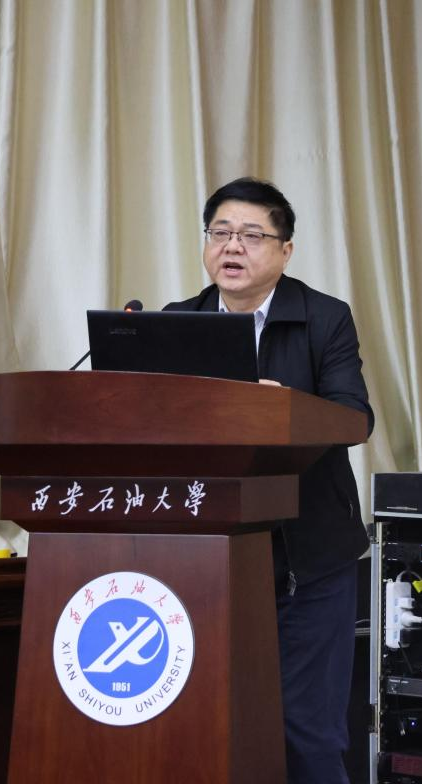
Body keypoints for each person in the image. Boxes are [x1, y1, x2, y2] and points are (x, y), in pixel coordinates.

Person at [164, 177, 372, 784]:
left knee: (305, 731)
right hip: (205, 557)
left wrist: (282, 411)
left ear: (285, 251)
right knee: (209, 725)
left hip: (307, 557)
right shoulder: (178, 322)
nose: (232, 246)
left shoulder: (324, 318)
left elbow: (355, 418)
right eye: (221, 232)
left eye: (252, 235)